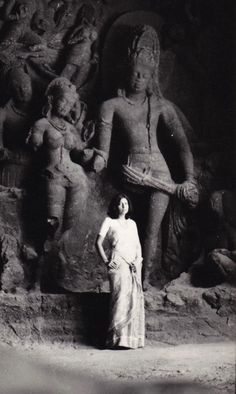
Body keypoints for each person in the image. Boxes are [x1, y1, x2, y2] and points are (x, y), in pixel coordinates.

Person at [92, 25, 198, 287]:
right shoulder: (111, 106)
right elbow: (102, 153)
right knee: (126, 228)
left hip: (160, 174)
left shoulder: (162, 106)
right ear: (125, 71)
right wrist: (94, 159)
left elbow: (182, 145)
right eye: (134, 72)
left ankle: (144, 279)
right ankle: (119, 273)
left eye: (144, 74)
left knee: (150, 231)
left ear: (152, 77)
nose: (138, 77)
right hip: (129, 173)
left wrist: (189, 178)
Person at [27, 77, 88, 237]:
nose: (66, 107)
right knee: (53, 220)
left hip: (76, 175)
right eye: (63, 101)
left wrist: (86, 144)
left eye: (70, 104)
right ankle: (48, 247)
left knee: (72, 219)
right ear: (52, 99)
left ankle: (58, 248)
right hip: (52, 174)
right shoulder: (42, 124)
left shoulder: (70, 127)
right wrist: (34, 139)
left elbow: (80, 152)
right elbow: (34, 146)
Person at [96, 193, 145, 349]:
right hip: (118, 264)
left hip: (133, 264)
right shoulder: (109, 221)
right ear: (115, 206)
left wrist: (138, 262)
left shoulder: (132, 224)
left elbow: (137, 245)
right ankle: (117, 340)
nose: (124, 206)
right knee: (119, 299)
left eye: (126, 204)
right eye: (120, 204)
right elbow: (97, 243)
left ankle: (130, 340)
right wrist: (106, 261)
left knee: (133, 298)